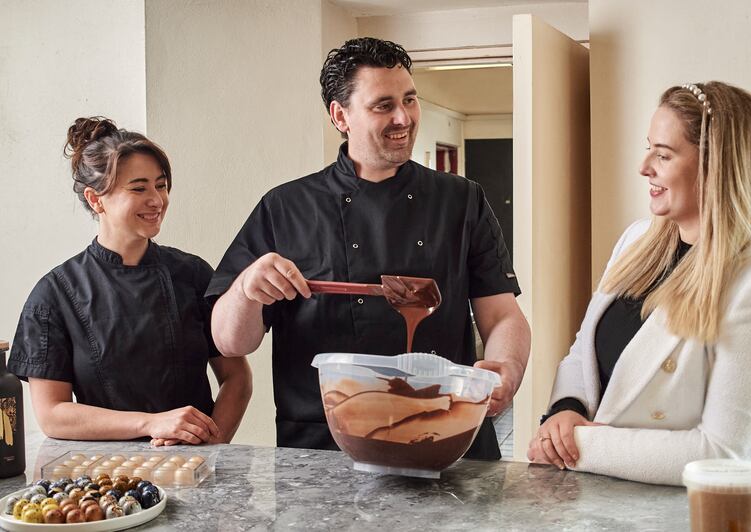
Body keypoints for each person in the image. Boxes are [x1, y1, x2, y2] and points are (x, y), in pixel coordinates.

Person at [207, 37, 531, 458]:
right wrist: (246, 289)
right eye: (383, 105)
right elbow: (230, 342)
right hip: (324, 448)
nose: (404, 117)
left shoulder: (461, 200)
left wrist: (507, 367)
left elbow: (503, 314)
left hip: (446, 436)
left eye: (410, 100)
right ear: (340, 116)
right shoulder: (286, 207)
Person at [528, 82, 751, 485]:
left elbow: (730, 454)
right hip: (593, 501)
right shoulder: (637, 240)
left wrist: (578, 446)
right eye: (649, 147)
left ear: (716, 166)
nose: (644, 166)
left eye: (664, 154)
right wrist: (566, 409)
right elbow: (583, 351)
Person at [9, 117, 252, 445]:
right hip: (103, 476)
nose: (157, 199)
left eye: (161, 185)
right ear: (97, 200)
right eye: (139, 188)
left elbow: (236, 378)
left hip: (193, 463)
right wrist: (151, 424)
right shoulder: (54, 294)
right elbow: (53, 414)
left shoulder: (193, 275)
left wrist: (210, 444)